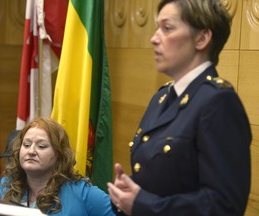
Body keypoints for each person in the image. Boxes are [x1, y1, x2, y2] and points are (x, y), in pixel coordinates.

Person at [107, 0, 251, 216]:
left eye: (167, 28)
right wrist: (127, 196)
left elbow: (224, 206)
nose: (154, 38)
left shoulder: (218, 102)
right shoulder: (162, 98)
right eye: (157, 28)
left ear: (202, 38)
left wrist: (143, 204)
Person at [0, 117, 115, 216]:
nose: (31, 151)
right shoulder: (4, 186)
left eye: (41, 146)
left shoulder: (82, 192)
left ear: (59, 154)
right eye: (26, 145)